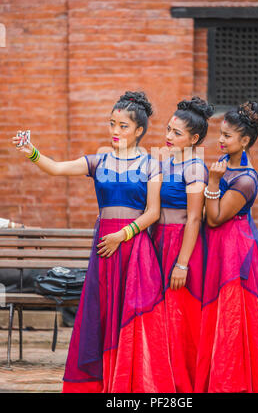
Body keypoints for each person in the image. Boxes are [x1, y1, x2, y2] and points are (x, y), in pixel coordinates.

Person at [12, 91, 175, 393]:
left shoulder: (152, 165)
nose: (115, 131)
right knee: (100, 315)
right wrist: (31, 151)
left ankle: (133, 383)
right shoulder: (98, 161)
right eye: (112, 123)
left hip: (134, 248)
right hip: (104, 249)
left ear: (139, 130)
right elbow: (57, 168)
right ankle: (100, 382)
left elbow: (153, 213)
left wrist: (122, 235)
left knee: (133, 315)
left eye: (123, 126)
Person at [194, 101, 258, 393]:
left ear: (244, 141)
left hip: (235, 251)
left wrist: (212, 182)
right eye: (220, 133)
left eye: (228, 136)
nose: (220, 139)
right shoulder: (224, 166)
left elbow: (216, 218)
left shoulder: (245, 179)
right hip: (217, 248)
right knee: (217, 312)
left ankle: (232, 382)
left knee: (233, 316)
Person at [150, 97, 214, 392]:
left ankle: (182, 385)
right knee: (160, 314)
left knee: (180, 316)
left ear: (195, 138)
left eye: (177, 133)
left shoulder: (195, 168)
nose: (168, 137)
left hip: (181, 244)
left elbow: (194, 219)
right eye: (168, 129)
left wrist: (182, 263)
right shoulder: (165, 161)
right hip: (160, 241)